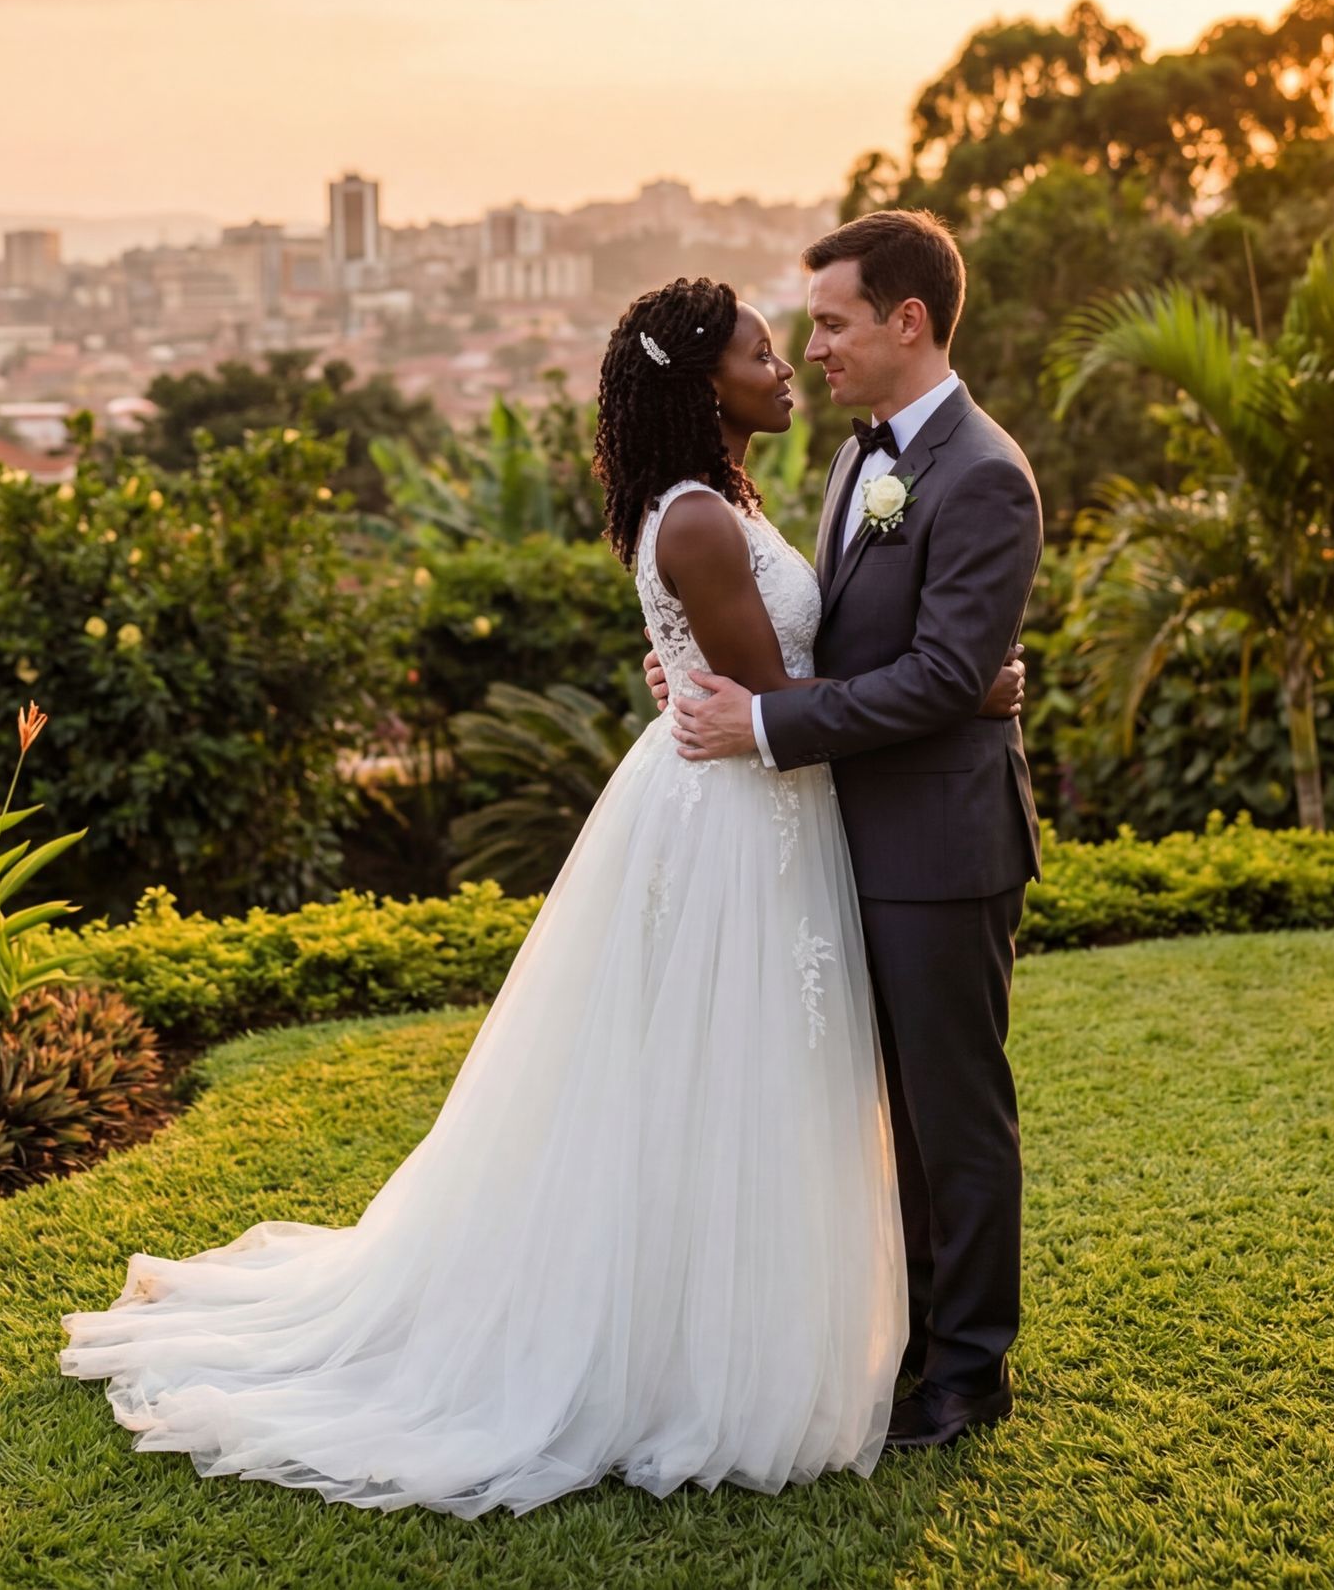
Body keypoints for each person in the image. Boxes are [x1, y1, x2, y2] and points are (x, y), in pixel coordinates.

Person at [60, 274, 1016, 1515]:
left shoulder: (732, 499)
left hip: (753, 804)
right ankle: (687, 1352)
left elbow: (761, 678)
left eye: (799, 345)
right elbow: (781, 694)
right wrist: (960, 687)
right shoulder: (702, 524)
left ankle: (773, 1327)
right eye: (764, 354)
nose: (788, 369)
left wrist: (878, 681)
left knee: (730, 1087)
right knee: (720, 1086)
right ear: (700, 383)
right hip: (741, 820)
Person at [667, 208, 1044, 1450]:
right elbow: (860, 648)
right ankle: (910, 1339)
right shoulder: (853, 461)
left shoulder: (985, 473)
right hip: (847, 833)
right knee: (887, 1116)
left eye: (830, 323)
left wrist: (771, 729)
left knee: (955, 1115)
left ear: (908, 321)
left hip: (940, 849)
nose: (814, 348)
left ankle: (969, 1373)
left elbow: (940, 676)